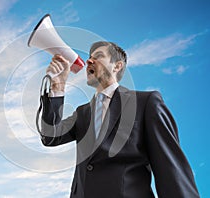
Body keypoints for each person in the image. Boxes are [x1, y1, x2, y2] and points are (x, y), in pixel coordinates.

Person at [39, 41, 200, 198]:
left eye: (99, 56)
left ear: (117, 66)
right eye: (89, 57)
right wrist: (57, 87)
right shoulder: (82, 113)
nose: (89, 61)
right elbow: (50, 136)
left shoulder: (145, 102)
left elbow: (169, 166)